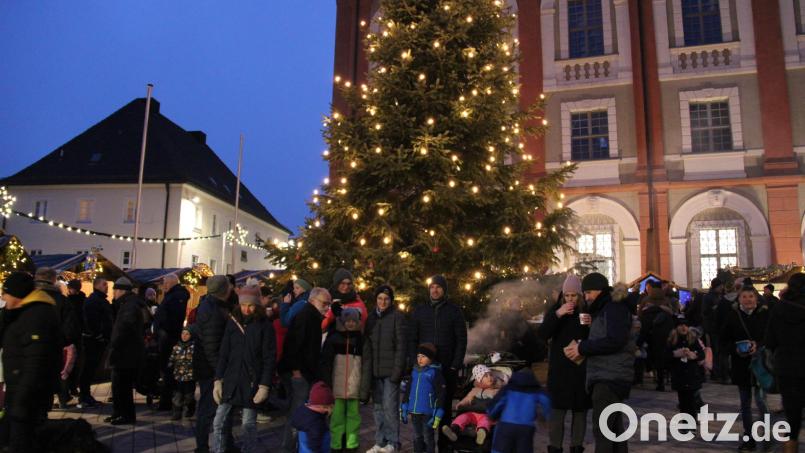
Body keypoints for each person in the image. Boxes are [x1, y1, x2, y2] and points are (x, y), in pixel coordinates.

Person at [565, 273, 635, 453]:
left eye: (588, 292)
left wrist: (583, 348)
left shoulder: (613, 308)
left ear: (600, 290)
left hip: (609, 377)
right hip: (609, 374)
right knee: (614, 429)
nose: (586, 297)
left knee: (603, 430)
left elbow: (615, 340)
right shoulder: (604, 308)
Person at [0, 272, 61, 452]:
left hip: (29, 394)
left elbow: (37, 361)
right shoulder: (20, 311)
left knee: (23, 442)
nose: (3, 297)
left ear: (17, 294)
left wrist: (22, 399)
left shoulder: (37, 315)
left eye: (6, 293)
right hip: (17, 390)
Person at [212, 285, 275, 453]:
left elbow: (269, 358)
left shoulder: (264, 326)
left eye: (251, 305)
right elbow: (224, 352)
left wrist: (264, 385)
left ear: (257, 305)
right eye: (243, 304)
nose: (247, 308)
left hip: (251, 381)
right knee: (219, 422)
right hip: (231, 380)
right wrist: (218, 379)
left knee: (248, 424)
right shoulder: (233, 322)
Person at [408, 275, 467, 451]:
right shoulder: (420, 311)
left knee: (444, 410)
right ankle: (424, 446)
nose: (435, 290)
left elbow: (461, 340)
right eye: (432, 287)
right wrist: (415, 361)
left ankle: (444, 446)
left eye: (438, 287)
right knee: (423, 408)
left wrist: (455, 365)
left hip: (446, 369)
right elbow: (412, 339)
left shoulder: (454, 311)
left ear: (444, 290)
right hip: (424, 370)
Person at [538, 274, 590, 453]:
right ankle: (555, 447)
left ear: (580, 296)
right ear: (562, 295)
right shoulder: (555, 311)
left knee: (579, 410)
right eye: (566, 295)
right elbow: (543, 333)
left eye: (573, 296)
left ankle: (576, 446)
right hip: (559, 369)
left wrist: (588, 327)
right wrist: (557, 315)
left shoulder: (585, 312)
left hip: (579, 368)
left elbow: (589, 337)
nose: (570, 299)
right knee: (557, 411)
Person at [278, 287, 332, 453]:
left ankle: (294, 446)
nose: (327, 307)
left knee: (298, 411)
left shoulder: (312, 316)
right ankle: (288, 448)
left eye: (329, 304)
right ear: (313, 300)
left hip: (304, 371)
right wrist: (296, 370)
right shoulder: (307, 316)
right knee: (297, 413)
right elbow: (294, 344)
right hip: (299, 372)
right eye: (324, 303)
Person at [721, 286, 770, 452]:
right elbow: (724, 340)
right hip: (741, 365)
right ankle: (749, 438)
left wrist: (759, 345)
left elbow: (771, 337)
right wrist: (735, 349)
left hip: (760, 365)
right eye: (744, 297)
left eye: (751, 296)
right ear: (739, 299)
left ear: (756, 299)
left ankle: (767, 436)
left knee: (762, 402)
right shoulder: (732, 316)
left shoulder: (764, 315)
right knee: (745, 404)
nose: (748, 299)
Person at [320, 307, 371, 452]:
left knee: (353, 418)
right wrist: (327, 385)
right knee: (336, 418)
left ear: (358, 322)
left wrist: (364, 389)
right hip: (336, 387)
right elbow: (326, 362)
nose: (350, 323)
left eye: (353, 321)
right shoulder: (334, 338)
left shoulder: (362, 340)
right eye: (347, 321)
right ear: (342, 321)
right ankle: (336, 444)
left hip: (355, 386)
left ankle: (351, 444)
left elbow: (367, 365)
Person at [193, 275, 234, 453]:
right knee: (209, 409)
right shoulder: (213, 311)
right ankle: (202, 446)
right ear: (224, 290)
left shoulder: (215, 306)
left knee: (221, 408)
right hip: (211, 369)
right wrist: (219, 373)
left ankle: (227, 444)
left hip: (211, 366)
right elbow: (211, 346)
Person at [765, 273, 805, 453]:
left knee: (792, 409)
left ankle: (792, 445)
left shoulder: (779, 309)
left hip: (787, 365)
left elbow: (770, 340)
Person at [365, 285, 406, 453]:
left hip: (390, 373)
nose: (383, 302)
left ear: (391, 301)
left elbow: (401, 346)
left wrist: (397, 372)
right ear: (376, 299)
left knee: (390, 408)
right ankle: (380, 441)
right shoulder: (371, 318)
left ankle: (393, 442)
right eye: (380, 298)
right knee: (378, 408)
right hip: (375, 371)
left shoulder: (397, 317)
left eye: (386, 299)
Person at [34, 267, 81, 408]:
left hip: (33, 345)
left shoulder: (29, 297)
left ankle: (39, 405)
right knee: (58, 373)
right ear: (54, 280)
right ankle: (60, 400)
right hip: (55, 345)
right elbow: (70, 326)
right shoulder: (62, 300)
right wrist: (65, 341)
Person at [106, 277, 147, 425]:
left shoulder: (129, 306)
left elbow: (124, 328)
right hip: (126, 352)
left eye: (115, 290)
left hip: (125, 353)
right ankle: (118, 413)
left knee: (122, 386)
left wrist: (115, 343)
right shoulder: (128, 303)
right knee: (118, 385)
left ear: (121, 290)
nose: (113, 293)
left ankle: (126, 415)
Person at [486, 368, 551, 453]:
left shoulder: (508, 389)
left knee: (500, 449)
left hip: (506, 425)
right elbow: (547, 401)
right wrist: (548, 417)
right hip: (526, 427)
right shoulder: (537, 390)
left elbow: (497, 403)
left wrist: (491, 415)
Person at [442, 364, 504, 446]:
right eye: (485, 376)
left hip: (487, 414)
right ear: (479, 380)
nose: (490, 377)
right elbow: (468, 398)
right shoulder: (475, 390)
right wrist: (461, 403)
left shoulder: (496, 391)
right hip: (473, 413)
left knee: (485, 421)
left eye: (491, 374)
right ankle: (454, 430)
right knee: (463, 417)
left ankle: (481, 433)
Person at [155, 273, 190, 411]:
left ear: (171, 283)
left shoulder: (176, 296)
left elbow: (172, 318)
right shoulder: (174, 295)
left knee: (168, 370)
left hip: (168, 337)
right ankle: (170, 399)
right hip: (168, 336)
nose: (163, 285)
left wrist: (162, 327)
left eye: (165, 282)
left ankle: (168, 400)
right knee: (168, 370)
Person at [400, 343, 445, 453]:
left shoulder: (435, 373)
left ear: (430, 358)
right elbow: (408, 390)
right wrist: (404, 406)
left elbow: (441, 393)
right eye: (418, 356)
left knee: (428, 436)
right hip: (415, 411)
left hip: (427, 412)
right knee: (416, 435)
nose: (420, 359)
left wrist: (438, 411)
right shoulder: (414, 372)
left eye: (423, 356)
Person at [77, 276, 112, 408]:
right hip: (93, 341)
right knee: (88, 368)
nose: (106, 286)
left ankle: (86, 395)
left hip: (96, 340)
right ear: (97, 286)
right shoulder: (94, 301)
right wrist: (98, 335)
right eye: (104, 284)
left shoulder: (100, 300)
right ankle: (84, 396)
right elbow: (92, 320)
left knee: (90, 368)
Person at [637, 279, 675, 391]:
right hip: (665, 333)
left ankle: (657, 380)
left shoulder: (646, 300)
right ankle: (666, 380)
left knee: (654, 356)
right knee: (665, 356)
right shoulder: (666, 301)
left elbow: (640, 316)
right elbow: (673, 314)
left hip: (651, 333)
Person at [665, 315, 704, 418]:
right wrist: (675, 354)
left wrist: (693, 355)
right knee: (682, 402)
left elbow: (701, 354)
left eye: (686, 325)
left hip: (692, 375)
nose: (684, 328)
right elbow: (665, 356)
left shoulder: (693, 339)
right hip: (679, 375)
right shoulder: (672, 340)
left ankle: (691, 423)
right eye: (681, 325)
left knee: (691, 401)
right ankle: (685, 424)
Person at [291, 381, 335, 453]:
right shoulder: (316, 424)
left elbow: (293, 421)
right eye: (330, 407)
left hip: (303, 447)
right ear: (323, 407)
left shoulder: (302, 408)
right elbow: (314, 445)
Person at [701, 277, 728, 383]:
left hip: (722, 327)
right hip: (714, 328)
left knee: (722, 351)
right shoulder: (708, 297)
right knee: (716, 351)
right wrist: (715, 308)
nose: (722, 288)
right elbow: (705, 312)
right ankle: (716, 373)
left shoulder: (721, 296)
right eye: (720, 286)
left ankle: (723, 372)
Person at [168, 326, 196, 420]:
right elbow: (172, 359)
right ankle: (177, 412)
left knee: (189, 396)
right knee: (178, 395)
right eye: (183, 334)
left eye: (187, 334)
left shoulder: (194, 347)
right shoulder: (176, 347)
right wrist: (170, 365)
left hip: (190, 377)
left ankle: (190, 407)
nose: (184, 336)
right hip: (178, 376)